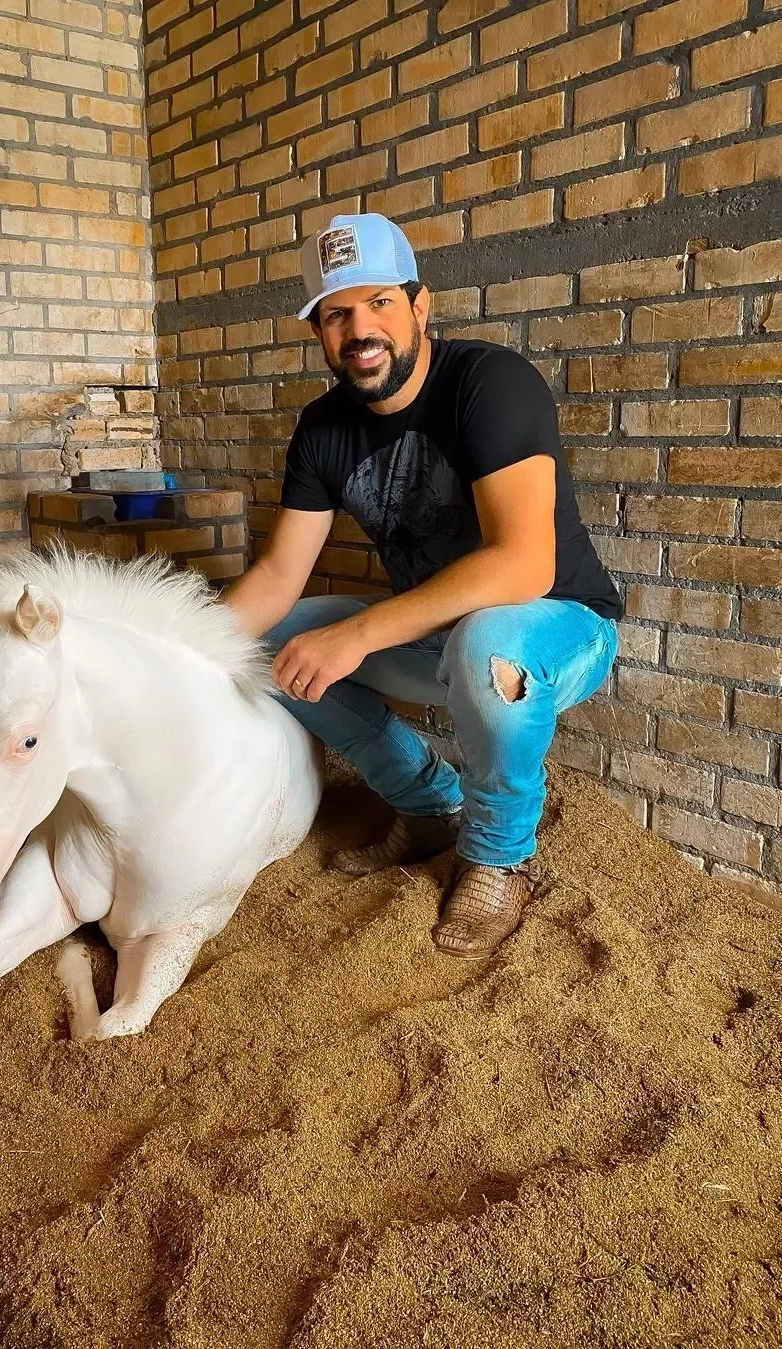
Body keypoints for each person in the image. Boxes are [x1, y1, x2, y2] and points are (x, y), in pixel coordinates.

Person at [223, 213, 622, 960]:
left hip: (556, 626)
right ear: (318, 332)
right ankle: (429, 802)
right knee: (266, 646)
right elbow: (279, 578)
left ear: (420, 306)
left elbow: (524, 564)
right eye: (336, 313)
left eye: (378, 302)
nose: (359, 328)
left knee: (486, 640)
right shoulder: (323, 430)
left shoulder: (489, 383)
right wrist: (176, 642)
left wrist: (363, 632)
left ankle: (499, 855)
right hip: (439, 634)